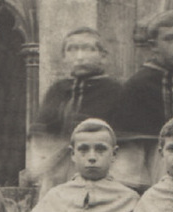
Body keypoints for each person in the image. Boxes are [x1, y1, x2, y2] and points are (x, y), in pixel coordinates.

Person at [113, 11, 173, 189]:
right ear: (154, 45)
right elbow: (130, 142)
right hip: (149, 163)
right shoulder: (137, 84)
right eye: (170, 39)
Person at [27, 27, 126, 188]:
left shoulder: (116, 92)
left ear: (103, 56)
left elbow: (123, 145)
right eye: (72, 49)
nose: (79, 56)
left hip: (102, 175)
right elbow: (41, 137)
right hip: (57, 176)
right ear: (64, 57)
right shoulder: (57, 91)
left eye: (87, 49)